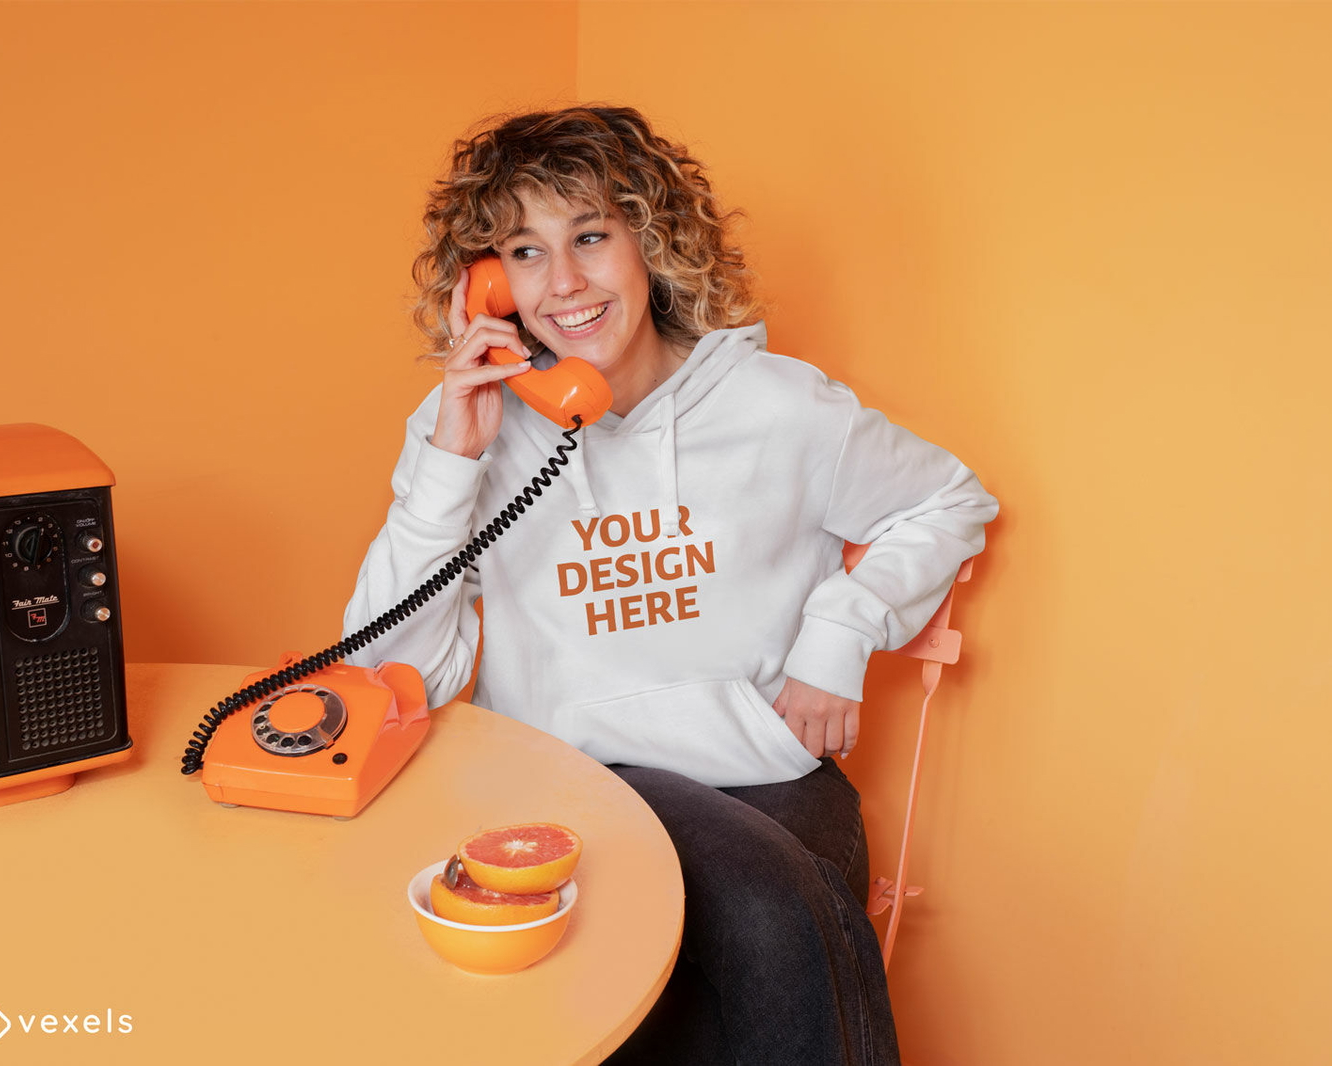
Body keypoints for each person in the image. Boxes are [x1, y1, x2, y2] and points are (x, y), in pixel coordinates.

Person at [343, 105, 997, 1066]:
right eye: (525, 252)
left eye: (591, 237)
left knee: (761, 908)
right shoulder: (470, 429)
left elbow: (949, 500)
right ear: (487, 287)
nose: (563, 283)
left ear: (651, 241)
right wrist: (452, 464)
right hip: (566, 783)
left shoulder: (781, 406)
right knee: (737, 921)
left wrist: (840, 634)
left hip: (761, 779)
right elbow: (384, 671)